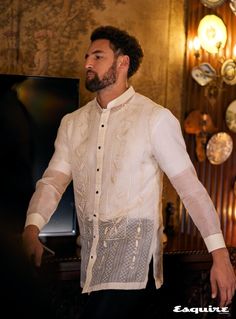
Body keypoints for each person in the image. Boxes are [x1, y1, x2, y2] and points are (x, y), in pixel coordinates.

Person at [22, 25, 236, 318]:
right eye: (87, 56)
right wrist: (32, 228)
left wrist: (220, 255)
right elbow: (53, 181)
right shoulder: (72, 123)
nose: (87, 63)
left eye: (98, 56)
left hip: (135, 266)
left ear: (122, 63)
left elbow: (191, 189)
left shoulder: (155, 119)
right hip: (90, 263)